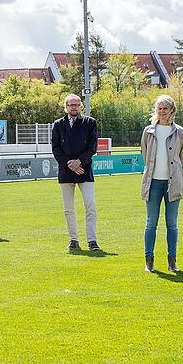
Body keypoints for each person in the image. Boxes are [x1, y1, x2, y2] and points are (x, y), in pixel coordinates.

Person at [140, 95, 183, 273]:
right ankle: (149, 260)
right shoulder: (148, 131)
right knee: (151, 222)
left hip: (172, 184)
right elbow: (145, 156)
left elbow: (181, 158)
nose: (162, 111)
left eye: (165, 108)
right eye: (159, 108)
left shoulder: (180, 132)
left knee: (172, 224)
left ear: (171, 110)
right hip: (152, 183)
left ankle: (172, 261)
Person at [51, 94, 101, 252]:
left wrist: (80, 162)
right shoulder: (58, 125)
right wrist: (70, 165)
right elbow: (56, 149)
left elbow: (92, 147)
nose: (74, 107)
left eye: (77, 104)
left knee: (90, 205)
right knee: (68, 208)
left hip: (84, 171)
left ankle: (92, 241)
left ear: (81, 106)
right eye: (71, 105)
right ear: (65, 107)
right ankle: (73, 239)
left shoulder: (89, 122)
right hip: (66, 172)